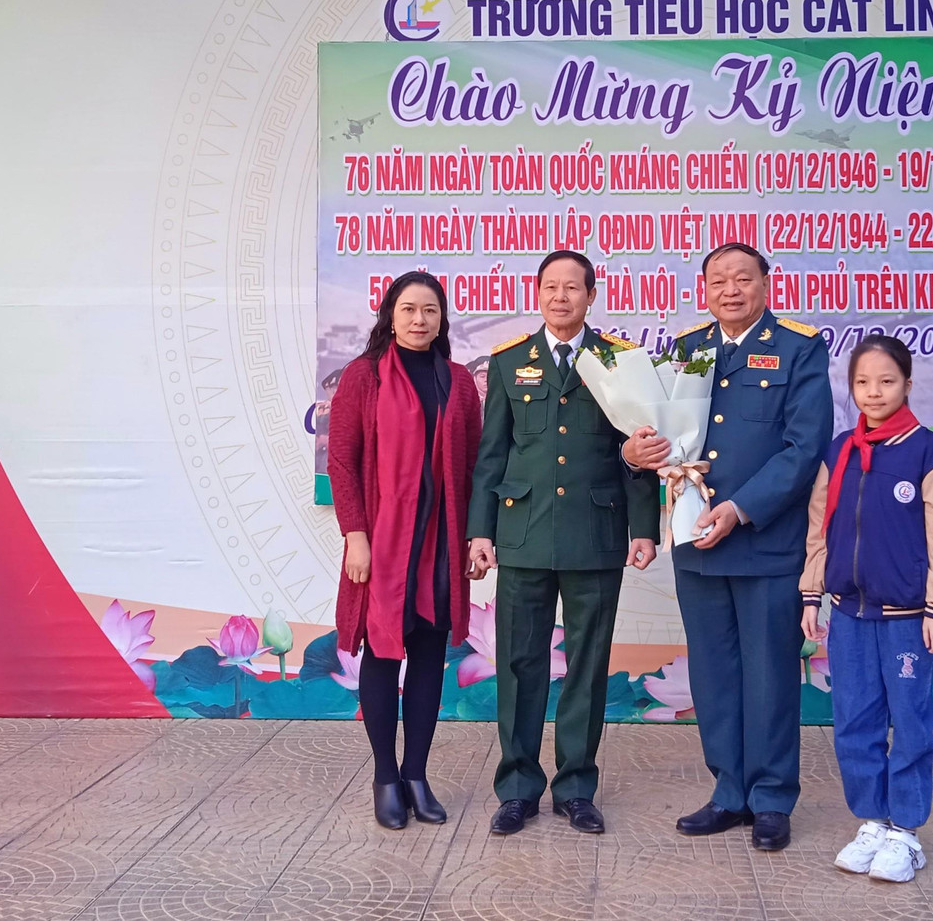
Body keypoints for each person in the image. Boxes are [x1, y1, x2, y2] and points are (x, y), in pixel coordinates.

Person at [632, 242, 833, 852]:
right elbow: (665, 435)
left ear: (766, 285)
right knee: (714, 673)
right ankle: (728, 792)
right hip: (697, 541)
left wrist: (740, 508)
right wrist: (642, 450)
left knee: (770, 674)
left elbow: (805, 447)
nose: (731, 290)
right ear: (704, 289)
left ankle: (771, 799)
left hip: (766, 541)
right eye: (718, 280)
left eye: (743, 278)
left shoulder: (798, 349)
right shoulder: (687, 350)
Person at [467, 250, 662, 836]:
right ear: (538, 293)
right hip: (522, 535)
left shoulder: (620, 361)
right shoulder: (509, 362)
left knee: (587, 665)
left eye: (572, 287)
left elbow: (640, 449)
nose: (560, 297)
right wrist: (481, 531)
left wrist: (643, 528)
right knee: (519, 665)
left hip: (594, 535)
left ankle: (577, 788)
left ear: (591, 295)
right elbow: (492, 456)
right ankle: (517, 789)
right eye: (550, 287)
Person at [799, 333, 933, 882]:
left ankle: (906, 833)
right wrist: (812, 594)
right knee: (854, 720)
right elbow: (819, 528)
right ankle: (872, 822)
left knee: (910, 722)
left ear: (907, 384)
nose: (874, 392)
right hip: (848, 614)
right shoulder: (840, 450)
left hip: (907, 619)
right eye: (863, 382)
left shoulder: (926, 450)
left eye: (887, 381)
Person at [328, 271, 484, 831]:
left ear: (442, 321)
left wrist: (475, 536)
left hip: (439, 543)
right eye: (409, 309)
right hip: (382, 545)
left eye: (431, 311)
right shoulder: (363, 376)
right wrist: (356, 535)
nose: (420, 319)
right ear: (390, 316)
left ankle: (417, 775)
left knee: (428, 656)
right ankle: (386, 777)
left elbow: (473, 466)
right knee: (382, 654)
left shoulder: (458, 382)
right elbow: (341, 461)